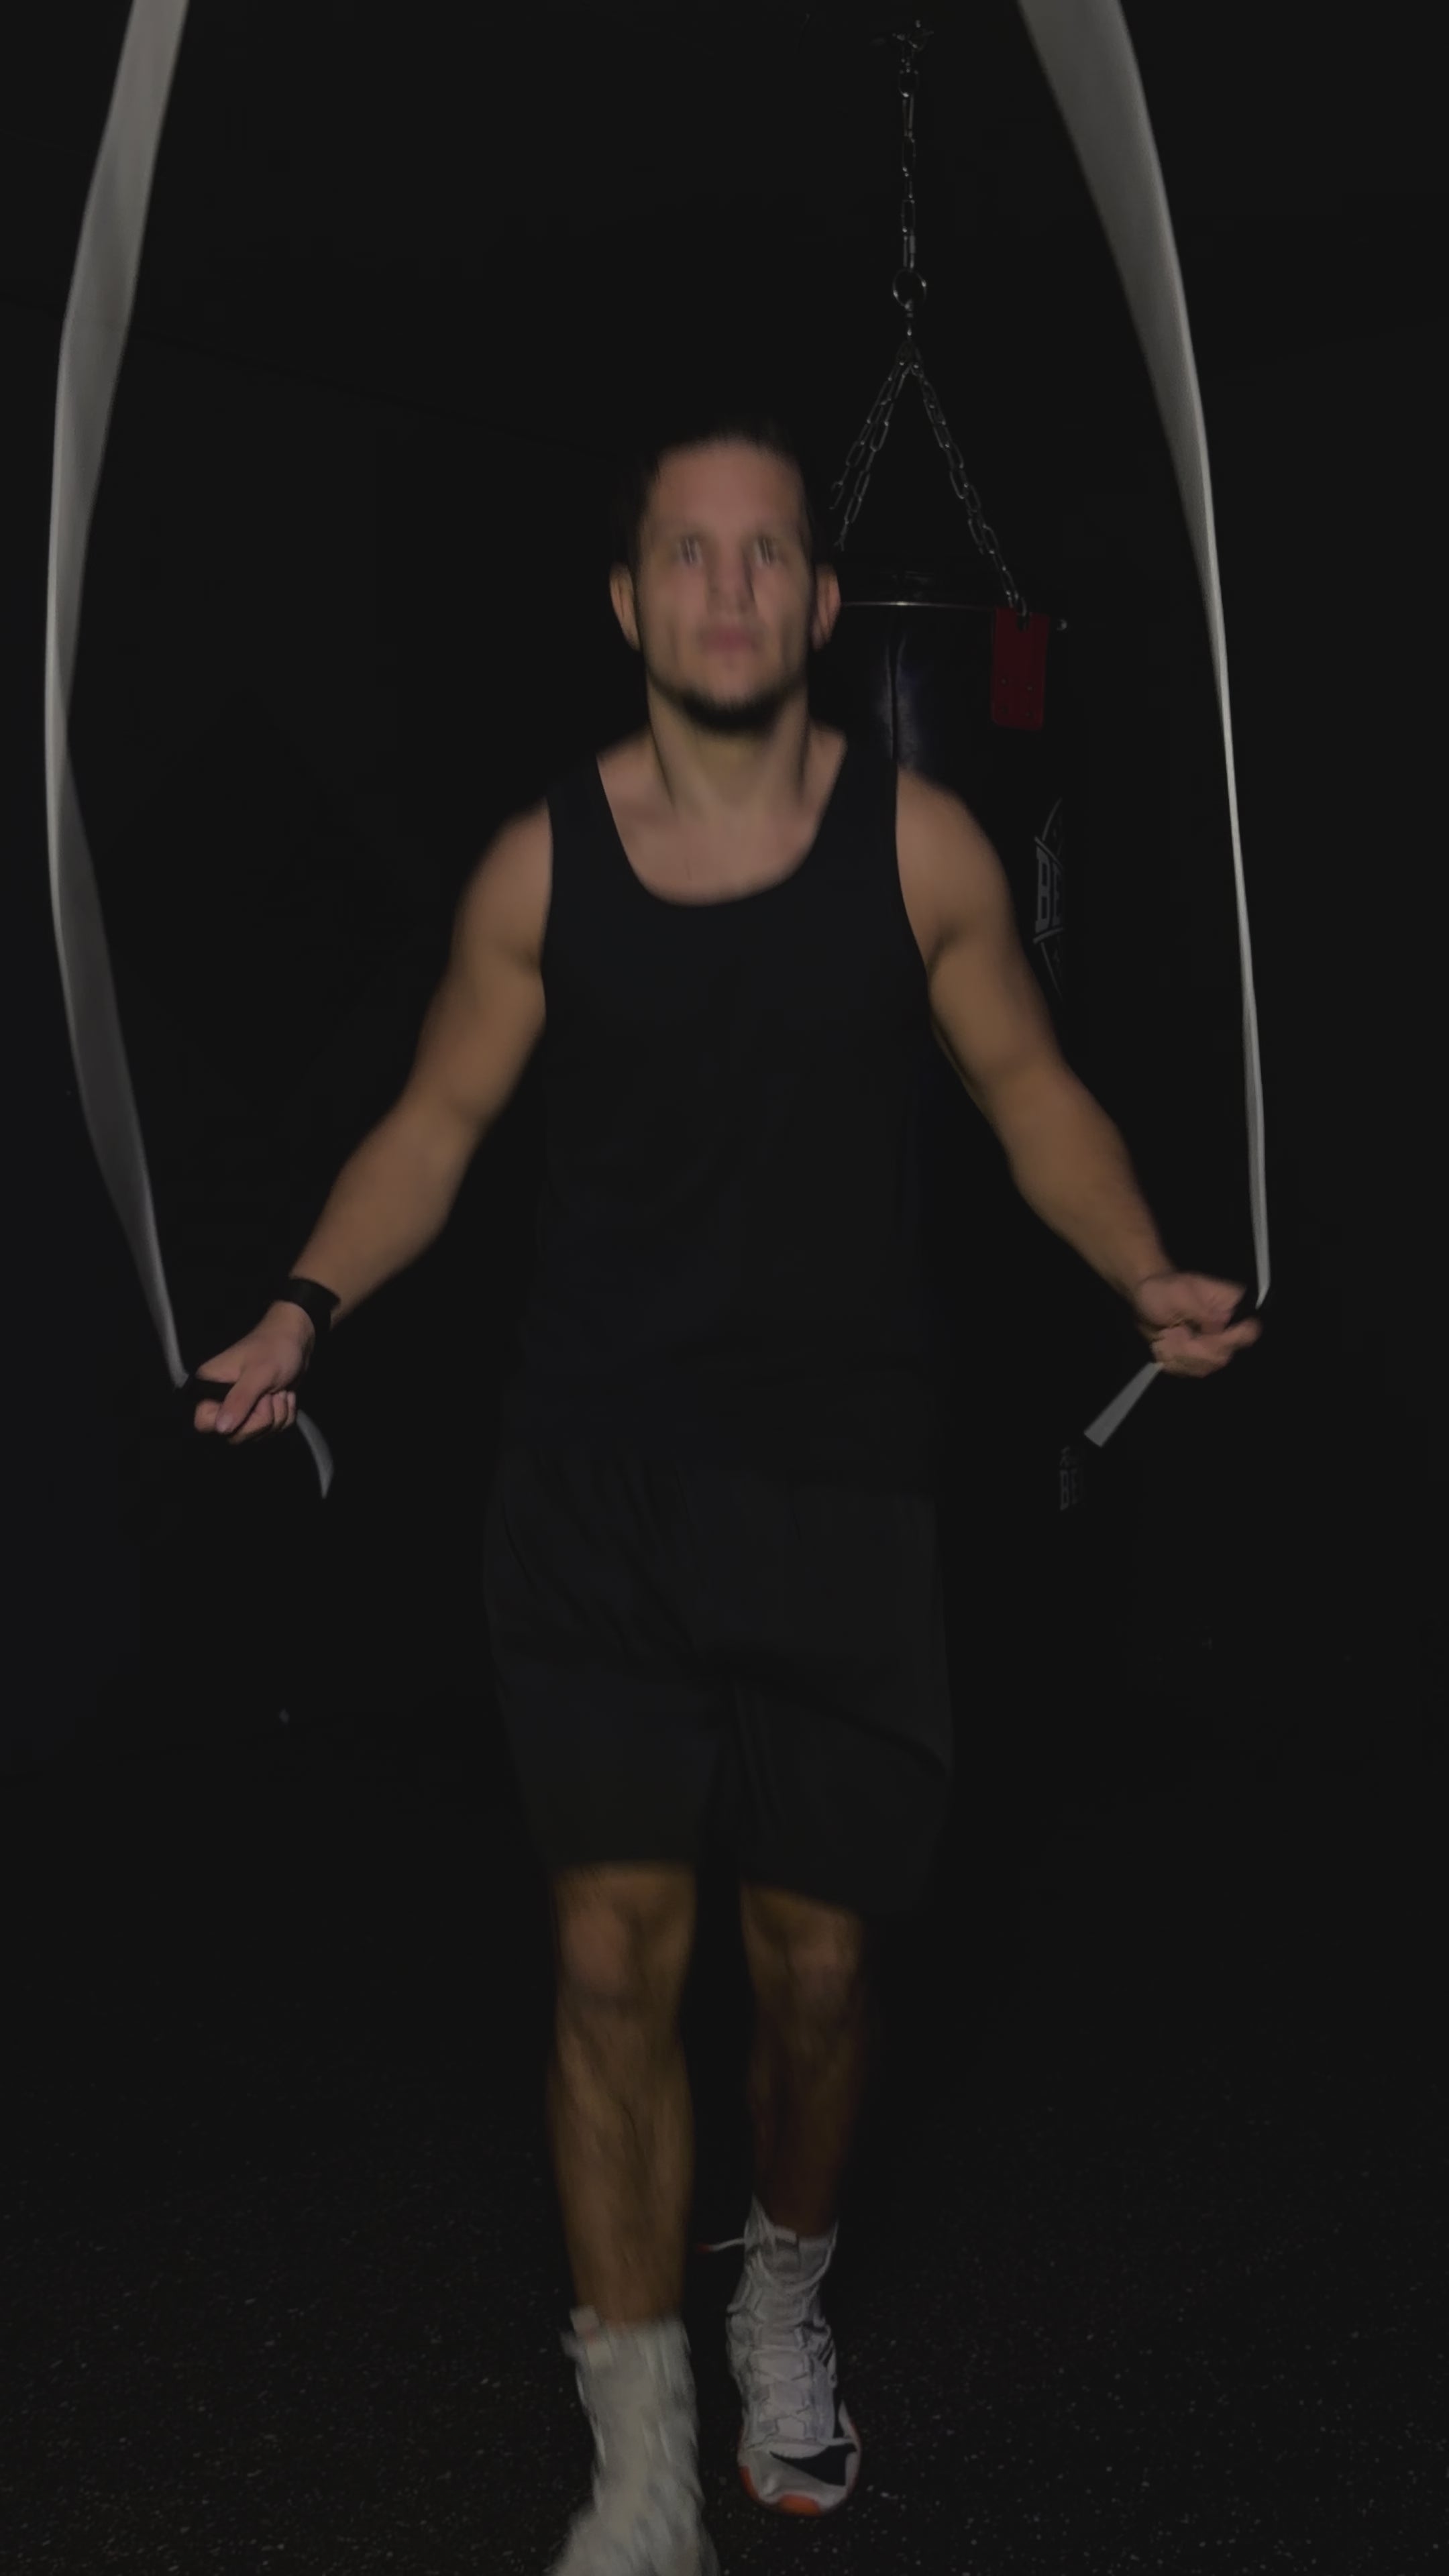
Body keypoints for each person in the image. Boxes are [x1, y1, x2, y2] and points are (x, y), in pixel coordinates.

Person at [193, 412, 1261, 2576]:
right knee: (608, 1965)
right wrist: (305, 1301)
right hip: (590, 1496)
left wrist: (1139, 1263)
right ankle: (641, 2456)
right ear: (629, 603)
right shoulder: (540, 866)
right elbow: (433, 1126)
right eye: (690, 552)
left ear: (821, 599)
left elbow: (1033, 1091)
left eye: (768, 550)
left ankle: (781, 2291)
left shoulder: (924, 848)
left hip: (842, 1498)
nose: (732, 586)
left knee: (817, 1985)